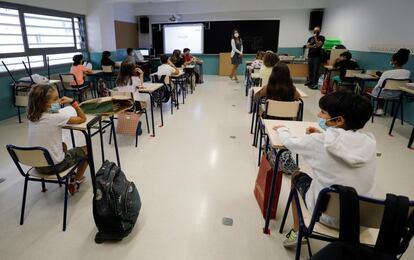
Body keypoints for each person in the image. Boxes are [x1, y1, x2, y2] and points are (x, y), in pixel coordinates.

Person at [273, 91, 376, 248]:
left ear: (339, 120)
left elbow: (289, 143)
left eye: (323, 112)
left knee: (296, 176)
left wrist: (282, 129)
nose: (318, 114)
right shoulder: (369, 143)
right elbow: (342, 144)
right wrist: (324, 134)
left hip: (326, 215)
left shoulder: (318, 142)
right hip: (362, 219)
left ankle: (298, 230)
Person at [27, 85, 89, 195]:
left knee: (63, 145)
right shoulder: (56, 117)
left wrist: (56, 105)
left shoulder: (31, 117)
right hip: (54, 167)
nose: (59, 101)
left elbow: (53, 111)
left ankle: (71, 174)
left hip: (37, 165)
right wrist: (73, 102)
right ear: (43, 103)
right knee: (87, 150)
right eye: (55, 99)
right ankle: (75, 182)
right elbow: (82, 118)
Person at [371, 48, 411, 115]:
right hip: (398, 95)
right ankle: (379, 110)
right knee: (383, 90)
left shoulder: (387, 73)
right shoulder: (408, 72)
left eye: (391, 59)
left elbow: (380, 85)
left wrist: (381, 77)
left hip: (384, 94)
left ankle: (379, 109)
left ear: (395, 61)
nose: (390, 60)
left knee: (378, 90)